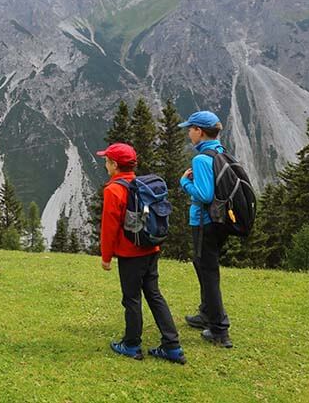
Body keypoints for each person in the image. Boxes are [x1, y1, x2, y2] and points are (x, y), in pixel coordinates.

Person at [98, 142, 185, 364]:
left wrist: (106, 257)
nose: (106, 165)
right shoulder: (142, 186)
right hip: (151, 248)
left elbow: (109, 227)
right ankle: (172, 346)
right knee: (154, 295)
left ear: (114, 165)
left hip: (130, 254)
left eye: (107, 161)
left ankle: (131, 344)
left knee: (131, 299)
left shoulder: (113, 190)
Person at [178, 110, 233, 348]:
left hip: (204, 223)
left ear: (199, 131)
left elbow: (204, 194)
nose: (188, 133)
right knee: (204, 266)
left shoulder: (200, 159)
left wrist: (184, 182)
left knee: (207, 271)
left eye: (190, 129)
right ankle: (205, 314)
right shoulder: (220, 152)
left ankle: (220, 330)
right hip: (219, 222)